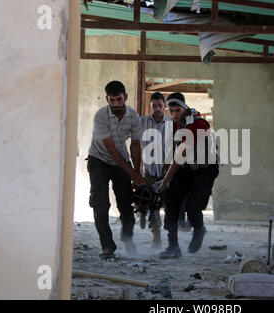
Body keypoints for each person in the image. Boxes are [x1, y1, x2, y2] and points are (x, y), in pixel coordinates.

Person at [87, 80, 147, 259]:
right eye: (111, 100)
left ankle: (128, 240)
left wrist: (138, 175)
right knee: (100, 204)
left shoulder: (134, 117)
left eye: (119, 100)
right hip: (99, 160)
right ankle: (107, 246)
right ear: (107, 99)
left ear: (125, 97)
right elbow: (111, 149)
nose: (115, 104)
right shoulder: (100, 117)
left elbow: (136, 145)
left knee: (126, 204)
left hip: (122, 162)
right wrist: (133, 174)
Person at [158, 92, 219, 259]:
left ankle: (199, 229)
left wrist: (165, 181)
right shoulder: (179, 122)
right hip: (187, 166)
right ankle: (173, 247)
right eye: (171, 111)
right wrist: (166, 162)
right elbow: (175, 147)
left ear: (185, 108)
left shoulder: (197, 124)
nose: (174, 114)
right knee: (171, 201)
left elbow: (180, 155)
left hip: (205, 168)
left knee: (193, 206)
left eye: (177, 110)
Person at [139, 92, 173, 248]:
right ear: (150, 106)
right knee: (152, 209)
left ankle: (173, 240)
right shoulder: (142, 123)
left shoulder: (173, 124)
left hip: (167, 175)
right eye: (154, 106)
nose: (158, 108)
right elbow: (134, 144)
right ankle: (157, 238)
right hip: (150, 174)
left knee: (171, 207)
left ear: (164, 105)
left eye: (160, 105)